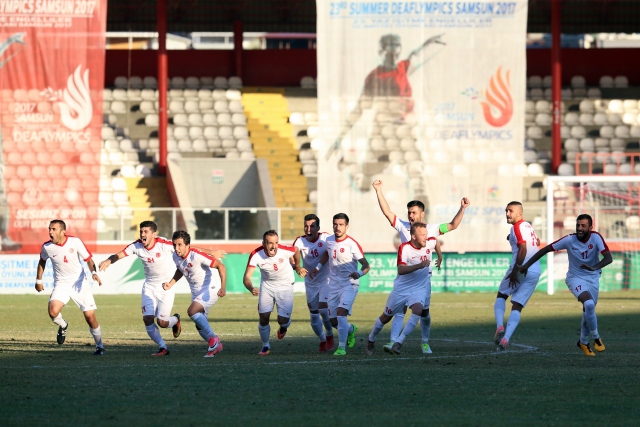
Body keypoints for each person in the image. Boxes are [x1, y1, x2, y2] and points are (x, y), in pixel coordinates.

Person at [326, 33, 445, 196]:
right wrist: (339, 138)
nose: (394, 55)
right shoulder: (374, 77)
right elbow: (359, 108)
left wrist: (429, 43)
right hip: (382, 132)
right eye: (390, 51)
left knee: (416, 173)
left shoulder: (402, 68)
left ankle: (420, 209)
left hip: (403, 130)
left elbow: (415, 56)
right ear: (381, 51)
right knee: (365, 181)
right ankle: (351, 169)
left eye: (396, 50)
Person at [99, 221, 225, 356]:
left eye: (146, 232)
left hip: (170, 288)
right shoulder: (137, 246)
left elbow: (187, 248)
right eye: (141, 231)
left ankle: (186, 326)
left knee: (165, 321)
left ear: (154, 234)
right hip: (150, 286)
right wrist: (109, 260)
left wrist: (211, 253)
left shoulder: (164, 245)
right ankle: (163, 347)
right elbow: (119, 254)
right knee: (148, 319)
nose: (142, 234)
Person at [373, 179, 470, 353]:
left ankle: (424, 342)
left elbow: (453, 225)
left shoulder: (431, 229)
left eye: (414, 213)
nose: (411, 216)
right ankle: (393, 342)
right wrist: (378, 190)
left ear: (422, 214)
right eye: (409, 212)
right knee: (399, 309)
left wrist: (462, 208)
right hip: (406, 276)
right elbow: (387, 212)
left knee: (424, 312)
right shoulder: (403, 227)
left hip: (422, 279)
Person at [519, 214, 612, 357]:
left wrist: (594, 267)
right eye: (578, 225)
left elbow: (608, 258)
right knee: (588, 304)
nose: (579, 228)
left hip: (593, 279)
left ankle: (583, 342)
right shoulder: (569, 240)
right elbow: (545, 249)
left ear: (590, 227)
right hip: (575, 278)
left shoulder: (596, 237)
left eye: (583, 226)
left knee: (588, 311)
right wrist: (526, 265)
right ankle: (596, 338)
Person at [34, 220, 104, 355]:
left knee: (90, 317)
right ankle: (63, 325)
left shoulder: (75, 242)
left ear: (63, 231)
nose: (50, 232)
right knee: (53, 312)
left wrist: (94, 273)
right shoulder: (47, 247)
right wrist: (38, 280)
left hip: (79, 283)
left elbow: (88, 259)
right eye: (49, 229)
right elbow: (42, 261)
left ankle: (99, 346)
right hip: (61, 284)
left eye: (53, 229)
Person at [366, 222, 432, 355]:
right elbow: (401, 270)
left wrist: (440, 257)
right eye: (423, 235)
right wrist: (419, 265)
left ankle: (398, 342)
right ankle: (371, 338)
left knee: (418, 310)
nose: (426, 237)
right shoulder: (405, 248)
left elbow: (446, 232)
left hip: (419, 288)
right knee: (385, 317)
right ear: (413, 236)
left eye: (426, 234)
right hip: (402, 289)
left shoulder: (430, 242)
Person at [312, 213, 370, 356]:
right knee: (333, 321)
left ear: (346, 226)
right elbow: (327, 253)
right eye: (335, 224)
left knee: (341, 314)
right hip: (333, 285)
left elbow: (366, 265)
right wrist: (318, 267)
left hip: (349, 284)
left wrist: (359, 273)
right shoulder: (329, 240)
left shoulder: (352, 244)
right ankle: (351, 329)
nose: (337, 227)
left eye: (341, 224)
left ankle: (341, 348)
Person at [162, 230, 227, 358]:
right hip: (196, 292)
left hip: (209, 289)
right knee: (200, 326)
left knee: (192, 311)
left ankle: (214, 339)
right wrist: (170, 283)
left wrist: (223, 287)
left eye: (179, 245)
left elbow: (221, 266)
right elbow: (181, 270)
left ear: (187, 245)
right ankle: (216, 346)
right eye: (174, 245)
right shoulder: (175, 256)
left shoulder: (196, 255)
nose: (176, 248)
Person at [493, 202, 541, 351]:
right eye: (506, 211)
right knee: (517, 306)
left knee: (502, 295)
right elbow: (537, 242)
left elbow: (523, 249)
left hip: (521, 268)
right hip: (535, 271)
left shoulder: (517, 227)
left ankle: (500, 327)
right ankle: (506, 339)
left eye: (511, 211)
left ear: (519, 213)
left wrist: (515, 271)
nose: (507, 214)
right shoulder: (528, 227)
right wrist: (511, 237)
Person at [244, 230, 300, 356]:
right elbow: (246, 277)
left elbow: (296, 250)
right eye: (270, 243)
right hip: (267, 286)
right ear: (264, 243)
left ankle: (284, 327)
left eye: (276, 243)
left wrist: (297, 266)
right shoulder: (256, 254)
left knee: (283, 321)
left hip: (285, 286)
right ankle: (265, 345)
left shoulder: (284, 250)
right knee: (264, 317)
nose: (273, 246)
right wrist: (251, 288)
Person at [292, 214, 335, 352]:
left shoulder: (325, 238)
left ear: (318, 228)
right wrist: (297, 267)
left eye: (312, 226)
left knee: (323, 309)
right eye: (306, 226)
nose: (308, 229)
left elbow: (330, 252)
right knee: (314, 313)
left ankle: (329, 334)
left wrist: (319, 267)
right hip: (310, 282)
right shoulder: (299, 241)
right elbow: (292, 255)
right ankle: (322, 339)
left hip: (326, 279)